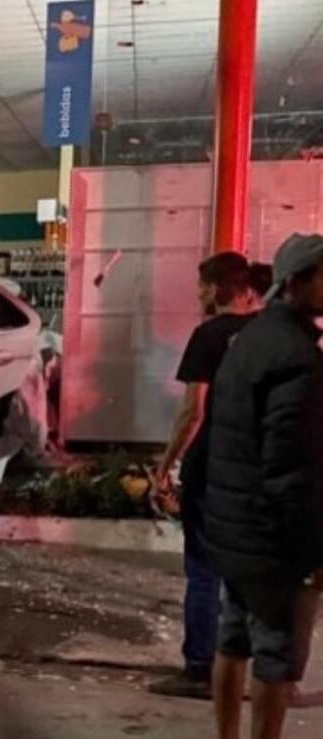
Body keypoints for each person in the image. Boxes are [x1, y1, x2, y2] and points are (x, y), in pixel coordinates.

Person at [205, 233, 323, 739]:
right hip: (273, 542)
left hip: (234, 529)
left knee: (232, 642)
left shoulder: (248, 340)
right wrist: (311, 549)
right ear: (296, 282)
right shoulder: (298, 358)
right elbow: (291, 467)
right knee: (276, 659)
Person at [149, 252, 257, 699]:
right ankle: (257, 669)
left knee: (203, 568)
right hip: (257, 470)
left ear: (214, 288)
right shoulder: (272, 334)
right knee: (251, 573)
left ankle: (200, 669)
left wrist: (165, 466)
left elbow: (193, 411)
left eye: (200, 287)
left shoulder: (208, 335)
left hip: (212, 467)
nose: (198, 295)